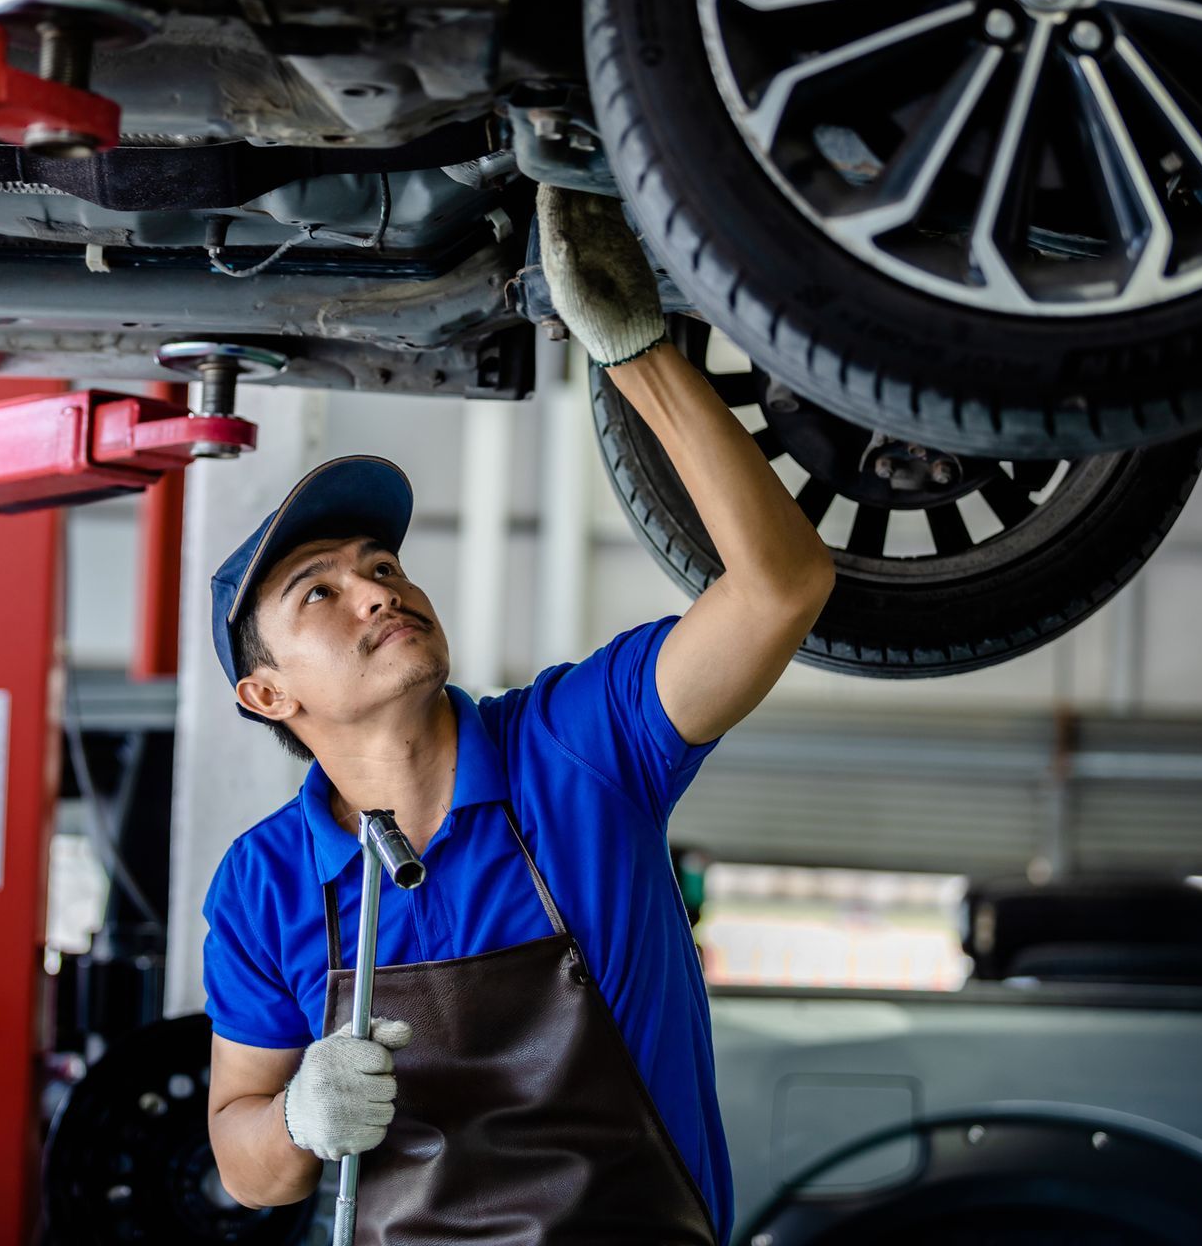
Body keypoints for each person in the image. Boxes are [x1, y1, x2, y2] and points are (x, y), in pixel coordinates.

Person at [199, 185, 836, 1244]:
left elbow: (781, 586)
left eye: (385, 563)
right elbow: (247, 1164)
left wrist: (636, 351)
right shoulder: (263, 884)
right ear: (268, 693)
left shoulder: (581, 746)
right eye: (322, 589)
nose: (379, 589)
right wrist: (300, 1117)